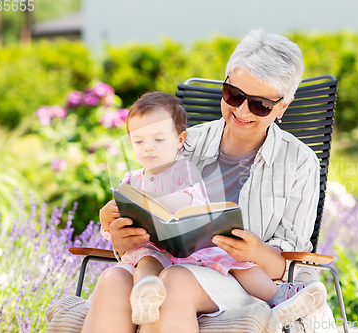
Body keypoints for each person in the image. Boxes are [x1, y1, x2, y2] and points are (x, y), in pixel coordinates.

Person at [82, 30, 328, 333]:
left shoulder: (299, 162)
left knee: (175, 281)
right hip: (169, 264)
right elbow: (148, 201)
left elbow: (295, 264)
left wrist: (255, 252)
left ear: (283, 107)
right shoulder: (181, 142)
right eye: (234, 95)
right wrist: (123, 236)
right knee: (113, 281)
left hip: (249, 282)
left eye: (260, 105)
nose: (240, 111)